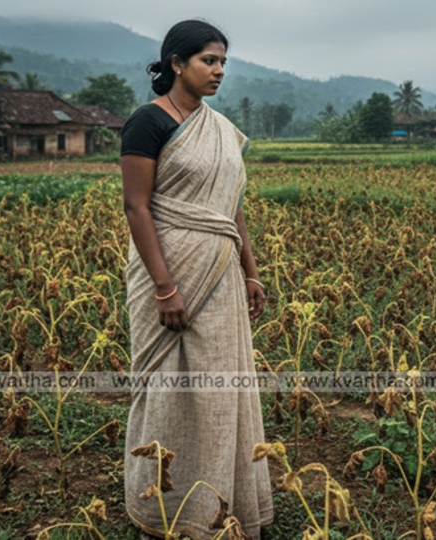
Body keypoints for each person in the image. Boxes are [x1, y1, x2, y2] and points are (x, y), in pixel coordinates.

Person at [119, 19, 274, 540]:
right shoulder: (149, 122)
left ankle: (216, 505)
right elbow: (137, 208)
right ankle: (160, 510)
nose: (219, 71)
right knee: (167, 390)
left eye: (224, 62)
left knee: (217, 392)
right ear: (176, 63)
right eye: (210, 60)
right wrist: (165, 287)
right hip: (168, 272)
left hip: (221, 273)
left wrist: (252, 272)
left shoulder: (223, 130)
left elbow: (231, 210)